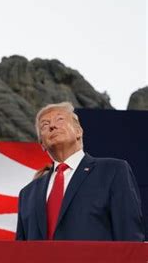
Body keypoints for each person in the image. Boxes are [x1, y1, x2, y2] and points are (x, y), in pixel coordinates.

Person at [16, 102, 144, 241]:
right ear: (42, 144)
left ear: (78, 131)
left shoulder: (113, 171)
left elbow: (129, 236)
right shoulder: (27, 194)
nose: (52, 126)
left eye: (60, 119)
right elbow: (21, 252)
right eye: (45, 125)